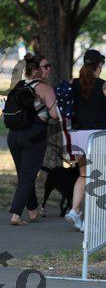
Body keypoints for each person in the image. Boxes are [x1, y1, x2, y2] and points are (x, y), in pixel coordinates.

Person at [65, 49, 106, 231]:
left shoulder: (72, 84)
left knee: (83, 175)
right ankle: (91, 222)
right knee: (96, 178)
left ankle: (75, 210)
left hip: (77, 136)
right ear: (100, 65)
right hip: (97, 137)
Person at [7, 53, 58, 226]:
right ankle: (16, 214)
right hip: (34, 135)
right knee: (27, 177)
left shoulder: (20, 85)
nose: (49, 69)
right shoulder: (45, 89)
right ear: (35, 70)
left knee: (25, 175)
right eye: (46, 66)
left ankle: (33, 210)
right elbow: (54, 114)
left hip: (13, 135)